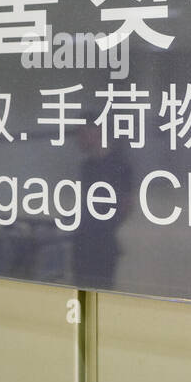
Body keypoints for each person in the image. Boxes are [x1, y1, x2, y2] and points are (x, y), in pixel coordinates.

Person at [70, 125, 133, 291]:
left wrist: (105, 228)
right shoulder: (87, 166)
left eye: (82, 133)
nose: (79, 140)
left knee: (101, 294)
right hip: (83, 244)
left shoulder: (120, 165)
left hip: (102, 246)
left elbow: (126, 204)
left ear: (96, 132)